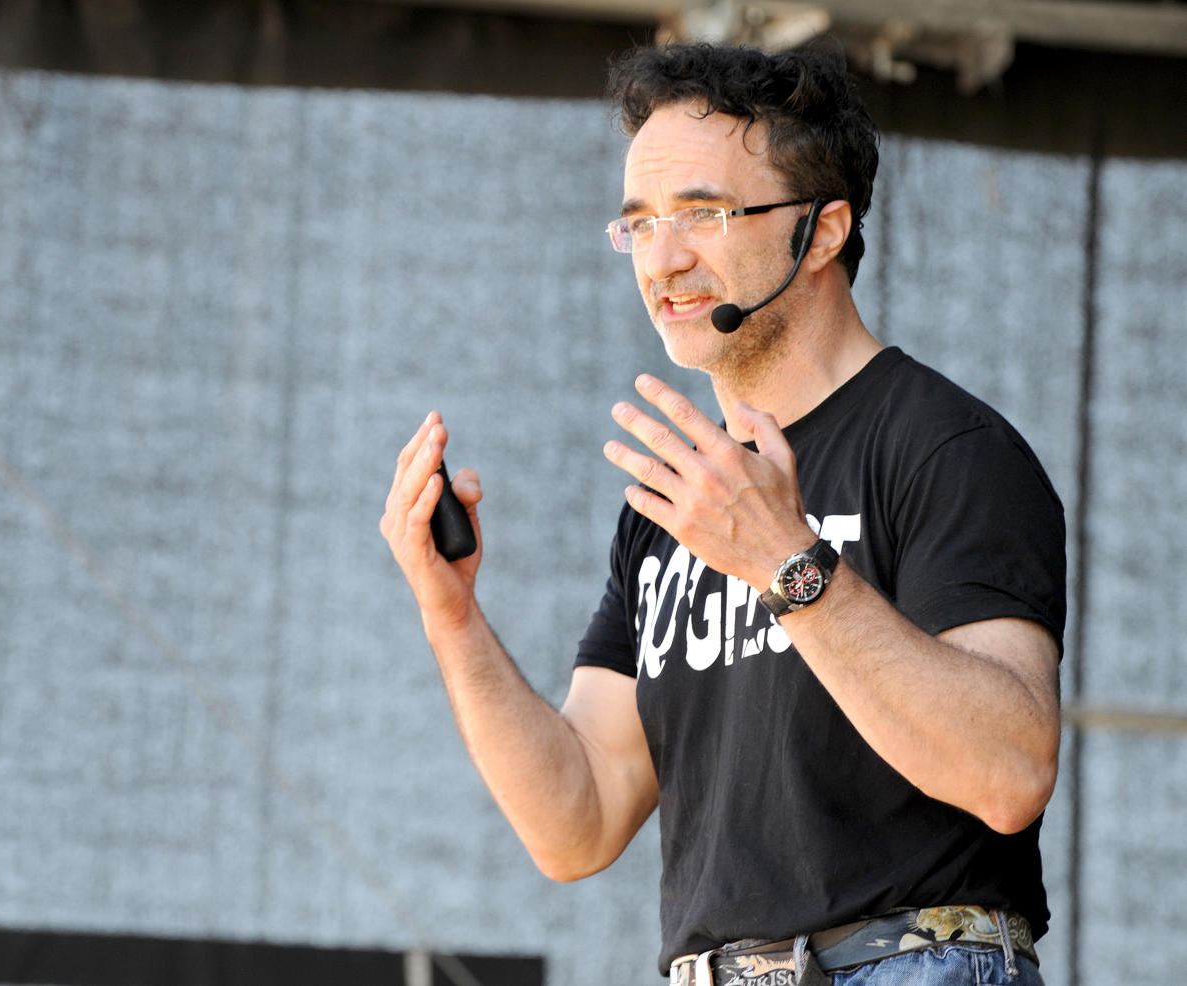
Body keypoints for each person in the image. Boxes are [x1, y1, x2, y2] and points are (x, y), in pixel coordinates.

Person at [381, 41, 1066, 986]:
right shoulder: (680, 499)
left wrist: (788, 561)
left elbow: (1011, 771)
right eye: (639, 224)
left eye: (702, 213)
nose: (662, 259)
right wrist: (450, 616)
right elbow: (576, 820)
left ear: (823, 232)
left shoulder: (946, 447)